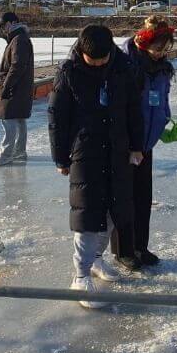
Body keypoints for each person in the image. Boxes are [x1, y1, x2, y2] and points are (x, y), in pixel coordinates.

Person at [48, 24, 145, 309]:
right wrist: (60, 158)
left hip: (117, 150)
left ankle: (96, 260)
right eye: (94, 60)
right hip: (85, 152)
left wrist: (136, 146)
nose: (100, 64)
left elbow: (133, 110)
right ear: (82, 51)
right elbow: (57, 118)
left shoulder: (123, 67)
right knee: (87, 215)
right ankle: (80, 275)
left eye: (104, 58)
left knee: (114, 212)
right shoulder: (68, 73)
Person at [112, 15, 175, 266]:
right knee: (125, 198)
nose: (162, 53)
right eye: (158, 48)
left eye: (167, 49)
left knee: (143, 197)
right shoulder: (127, 65)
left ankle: (141, 246)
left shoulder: (160, 67)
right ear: (143, 43)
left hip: (147, 140)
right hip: (126, 141)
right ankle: (124, 250)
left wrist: (165, 118)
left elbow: (162, 96)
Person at [0, 11, 35, 166]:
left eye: (3, 26)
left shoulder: (19, 40)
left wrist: (7, 84)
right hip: (20, 87)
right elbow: (13, 65)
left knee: (8, 120)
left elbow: (17, 65)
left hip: (15, 87)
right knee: (19, 120)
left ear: (10, 23)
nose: (3, 29)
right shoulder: (19, 38)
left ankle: (7, 154)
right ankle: (19, 152)